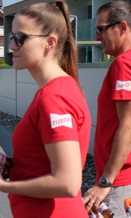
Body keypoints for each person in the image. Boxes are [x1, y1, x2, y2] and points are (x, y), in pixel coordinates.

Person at [0, 1, 91, 217]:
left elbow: (67, 183)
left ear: (50, 43)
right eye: (11, 37)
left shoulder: (54, 98)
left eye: (21, 38)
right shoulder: (59, 89)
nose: (12, 46)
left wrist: (2, 185)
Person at [83, 1, 131, 217]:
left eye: (101, 29)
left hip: (118, 183)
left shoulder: (123, 64)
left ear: (122, 27)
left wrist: (105, 181)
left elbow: (128, 126)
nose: (96, 37)